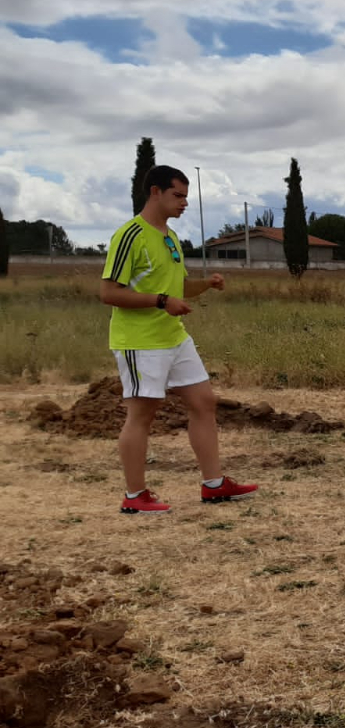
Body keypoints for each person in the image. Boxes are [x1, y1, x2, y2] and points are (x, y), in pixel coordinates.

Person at [100, 166, 256, 515]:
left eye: (186, 196)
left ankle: (214, 485)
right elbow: (109, 292)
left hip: (174, 337)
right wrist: (160, 302)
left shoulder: (169, 237)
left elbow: (177, 288)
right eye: (178, 195)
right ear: (155, 192)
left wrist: (206, 285)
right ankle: (134, 496)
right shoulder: (130, 236)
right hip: (140, 341)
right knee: (142, 413)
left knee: (204, 401)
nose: (184, 203)